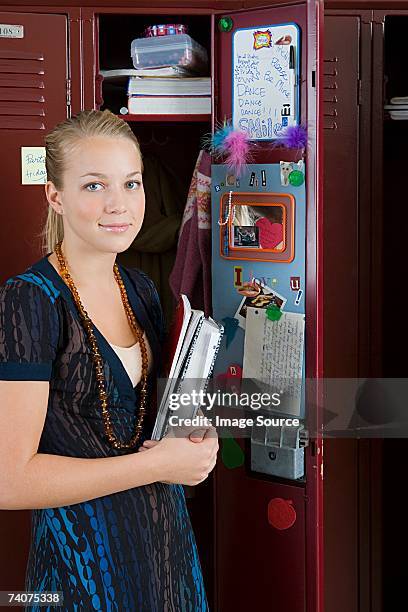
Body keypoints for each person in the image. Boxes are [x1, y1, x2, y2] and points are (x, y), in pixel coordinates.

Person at [0, 110, 218, 611]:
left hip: (166, 557)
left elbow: (150, 424)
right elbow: (11, 479)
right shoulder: (29, 300)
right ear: (55, 196)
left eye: (131, 183)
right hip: (83, 568)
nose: (119, 204)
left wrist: (193, 442)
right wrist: (159, 464)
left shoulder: (139, 288)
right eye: (94, 185)